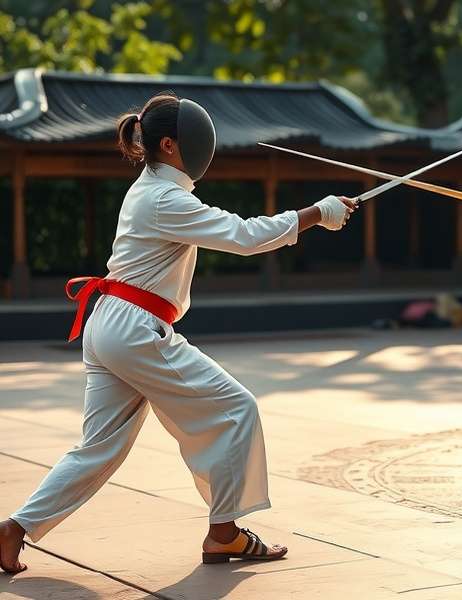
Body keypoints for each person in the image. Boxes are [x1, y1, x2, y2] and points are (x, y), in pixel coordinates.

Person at [0, 93, 356, 573]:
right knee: (236, 409)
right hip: (134, 328)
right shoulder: (165, 198)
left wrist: (315, 212)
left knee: (98, 448)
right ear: (169, 145)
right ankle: (224, 534)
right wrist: (318, 212)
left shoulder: (151, 189)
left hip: (108, 323)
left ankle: (14, 529)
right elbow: (247, 237)